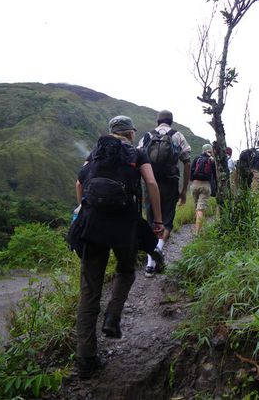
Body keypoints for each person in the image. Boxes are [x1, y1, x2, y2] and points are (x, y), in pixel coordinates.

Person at [73, 115, 164, 379]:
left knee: (89, 292)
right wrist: (157, 220)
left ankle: (85, 360)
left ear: (111, 131)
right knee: (126, 271)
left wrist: (82, 208)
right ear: (131, 133)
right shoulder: (137, 153)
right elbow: (151, 183)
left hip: (92, 226)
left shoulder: (96, 151)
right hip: (124, 226)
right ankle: (112, 316)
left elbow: (79, 183)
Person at [138, 109, 191, 277]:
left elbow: (137, 157)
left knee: (151, 219)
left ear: (157, 121)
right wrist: (184, 190)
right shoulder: (178, 136)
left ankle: (150, 265)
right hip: (170, 182)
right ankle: (159, 249)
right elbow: (187, 162)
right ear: (171, 121)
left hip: (150, 182)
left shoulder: (147, 135)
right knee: (167, 219)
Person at [190, 144, 217, 234]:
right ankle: (197, 233)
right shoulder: (212, 160)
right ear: (211, 151)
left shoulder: (197, 158)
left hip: (194, 185)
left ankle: (198, 229)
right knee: (201, 209)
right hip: (205, 185)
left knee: (197, 207)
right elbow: (215, 175)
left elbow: (191, 173)